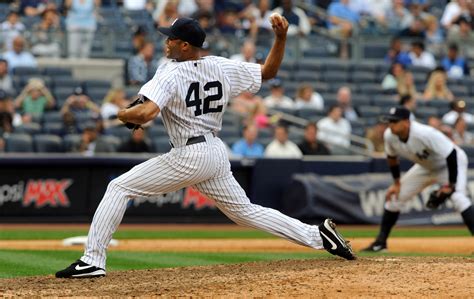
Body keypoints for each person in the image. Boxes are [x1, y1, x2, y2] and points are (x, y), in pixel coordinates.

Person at [55, 16, 355, 278]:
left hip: (189, 153)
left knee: (119, 188)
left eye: (171, 38)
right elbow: (268, 72)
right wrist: (280, 38)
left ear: (184, 45)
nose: (166, 41)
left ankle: (92, 260)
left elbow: (145, 114)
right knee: (245, 212)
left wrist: (120, 113)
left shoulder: (170, 71)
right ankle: (319, 235)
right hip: (213, 152)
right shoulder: (220, 66)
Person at [363, 106, 474, 252]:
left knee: (458, 197)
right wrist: (396, 183)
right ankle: (380, 243)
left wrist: (450, 185)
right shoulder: (390, 135)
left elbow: (451, 154)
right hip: (425, 167)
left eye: (395, 121)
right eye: (389, 121)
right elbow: (391, 158)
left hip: (450, 164)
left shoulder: (424, 133)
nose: (391, 125)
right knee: (394, 197)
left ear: (406, 122)